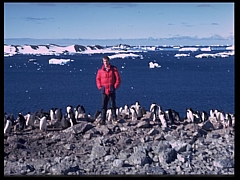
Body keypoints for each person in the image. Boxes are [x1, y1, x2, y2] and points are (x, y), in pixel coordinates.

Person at [96, 56, 121, 125]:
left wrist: (115, 87)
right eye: (104, 61)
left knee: (113, 105)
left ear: (109, 61)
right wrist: (100, 87)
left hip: (111, 89)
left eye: (106, 61)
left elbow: (118, 79)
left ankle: (114, 118)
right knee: (103, 106)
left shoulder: (114, 69)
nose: (105, 63)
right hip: (104, 90)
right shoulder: (100, 71)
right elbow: (98, 79)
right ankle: (103, 120)